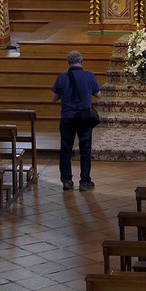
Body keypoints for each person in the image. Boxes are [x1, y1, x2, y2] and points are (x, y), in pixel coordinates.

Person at [52, 50, 100, 190]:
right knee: (85, 149)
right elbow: (98, 94)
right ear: (81, 61)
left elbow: (54, 98)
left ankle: (67, 180)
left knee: (66, 148)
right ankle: (85, 181)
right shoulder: (89, 75)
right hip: (84, 117)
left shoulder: (62, 77)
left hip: (67, 117)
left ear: (68, 62)